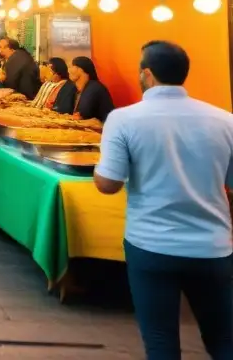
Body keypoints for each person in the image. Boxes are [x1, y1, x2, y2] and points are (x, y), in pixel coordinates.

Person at [94, 41, 233, 359]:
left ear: (147, 74)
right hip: (212, 247)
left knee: (161, 341)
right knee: (224, 339)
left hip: (152, 246)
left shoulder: (124, 119)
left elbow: (109, 184)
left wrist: (98, 172)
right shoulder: (225, 121)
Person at [69, 56, 115, 122]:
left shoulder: (94, 88)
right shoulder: (82, 88)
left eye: (71, 66)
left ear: (81, 69)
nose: (69, 70)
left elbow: (83, 115)